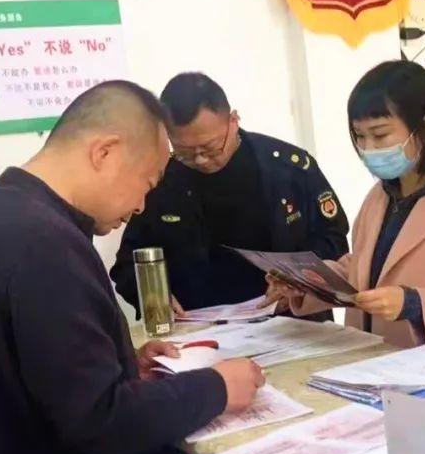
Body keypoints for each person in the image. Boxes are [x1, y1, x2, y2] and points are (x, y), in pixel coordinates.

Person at [0, 81, 265, 454]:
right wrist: (216, 388)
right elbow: (98, 420)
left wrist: (120, 364)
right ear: (105, 152)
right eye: (147, 183)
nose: (141, 205)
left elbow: (23, 366)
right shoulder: (43, 239)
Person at [266, 61, 425, 348]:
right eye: (360, 136)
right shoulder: (380, 196)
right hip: (368, 356)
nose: (369, 148)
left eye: (380, 134)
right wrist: (304, 281)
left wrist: (414, 304)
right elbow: (363, 268)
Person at [111, 72, 349, 316]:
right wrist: (153, 295)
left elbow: (333, 238)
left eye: (210, 148)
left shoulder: (287, 168)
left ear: (233, 120)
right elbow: (128, 264)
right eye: (184, 152)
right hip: (202, 327)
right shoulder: (162, 182)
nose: (200, 160)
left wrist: (298, 281)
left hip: (293, 320)